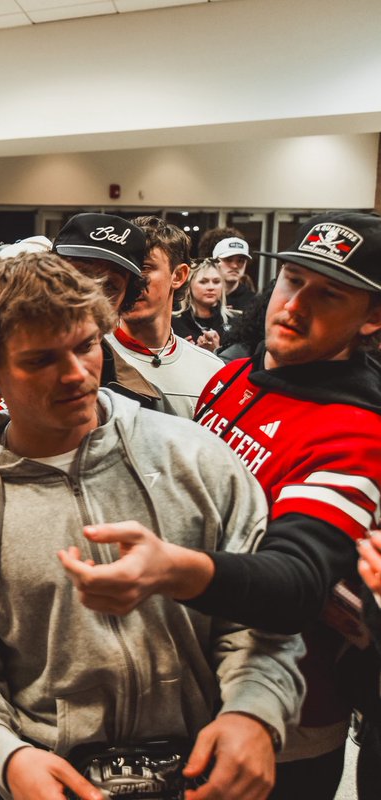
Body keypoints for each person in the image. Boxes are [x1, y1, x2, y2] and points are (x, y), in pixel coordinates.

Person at [0, 252, 302, 800]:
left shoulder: (197, 459)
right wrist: (9, 755)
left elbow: (260, 615)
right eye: (42, 360)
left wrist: (254, 713)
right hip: (49, 777)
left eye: (86, 345)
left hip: (203, 769)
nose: (76, 374)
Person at [59, 212, 381, 798]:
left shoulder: (357, 432)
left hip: (285, 717)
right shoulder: (231, 379)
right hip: (191, 689)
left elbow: (297, 580)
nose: (296, 305)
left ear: (372, 318)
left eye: (330, 294)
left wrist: (173, 568)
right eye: (293, 280)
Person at [0, 212, 167, 496]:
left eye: (110, 286)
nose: (90, 293)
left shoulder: (140, 397)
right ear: (46, 274)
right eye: (79, 275)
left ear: (125, 300)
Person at [107, 216, 224, 418]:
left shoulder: (210, 371)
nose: (133, 281)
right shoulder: (92, 356)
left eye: (144, 268)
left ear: (178, 276)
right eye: (125, 269)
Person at [173, 257, 239, 350]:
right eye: (203, 282)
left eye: (216, 282)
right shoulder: (173, 322)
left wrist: (217, 351)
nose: (211, 287)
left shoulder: (235, 321)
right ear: (189, 286)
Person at [214, 235, 257, 310]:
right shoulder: (204, 296)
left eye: (240, 261)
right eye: (228, 260)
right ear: (215, 262)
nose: (234, 266)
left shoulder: (253, 302)